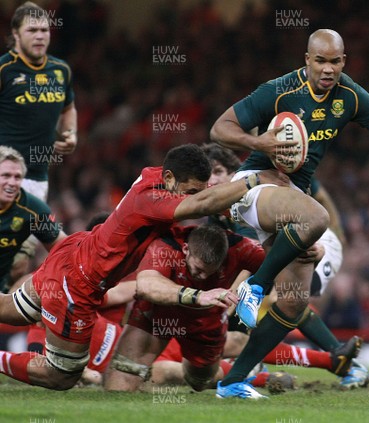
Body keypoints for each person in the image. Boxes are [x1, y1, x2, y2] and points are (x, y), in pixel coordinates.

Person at [210, 29, 369, 398]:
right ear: (306, 60)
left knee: (293, 302)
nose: (327, 69)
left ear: (344, 61)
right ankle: (256, 286)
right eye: (320, 61)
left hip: (293, 196)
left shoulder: (350, 96)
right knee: (317, 219)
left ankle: (232, 382)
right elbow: (220, 128)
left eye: (335, 61)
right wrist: (257, 142)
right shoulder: (278, 90)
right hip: (255, 184)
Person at [0, 143, 287, 391]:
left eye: (196, 191)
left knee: (10, 310)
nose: (192, 196)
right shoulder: (151, 199)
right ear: (170, 177)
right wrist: (256, 179)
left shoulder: (157, 176)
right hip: (79, 283)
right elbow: (202, 205)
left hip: (73, 252)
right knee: (60, 376)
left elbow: (207, 199)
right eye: (189, 191)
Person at [103, 224, 360, 392]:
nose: (201, 277)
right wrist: (197, 296)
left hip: (207, 322)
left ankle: (328, 359)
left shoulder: (241, 243)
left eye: (208, 272)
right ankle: (262, 374)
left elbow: (288, 270)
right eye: (196, 270)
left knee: (200, 378)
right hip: (157, 318)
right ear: (185, 250)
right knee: (122, 386)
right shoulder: (164, 247)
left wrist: (317, 252)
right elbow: (144, 286)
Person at [202, 143, 369, 390]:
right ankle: (336, 359)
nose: (212, 179)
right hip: (282, 252)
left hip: (316, 241)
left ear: (234, 173)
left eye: (217, 171)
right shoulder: (218, 213)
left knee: (284, 294)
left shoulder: (253, 195)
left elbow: (319, 193)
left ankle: (345, 362)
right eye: (207, 174)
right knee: (273, 300)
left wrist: (337, 231)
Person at [0, 2, 77, 281]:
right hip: (1, 176)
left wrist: (71, 134)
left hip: (35, 180)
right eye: (32, 29)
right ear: (16, 34)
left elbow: (69, 109)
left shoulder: (61, 70)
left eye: (44, 29)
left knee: (19, 264)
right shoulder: (4, 69)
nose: (40, 35)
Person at [0, 146, 66, 292]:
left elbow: (65, 248)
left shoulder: (33, 210)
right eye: (6, 175)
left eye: (17, 177)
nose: (12, 183)